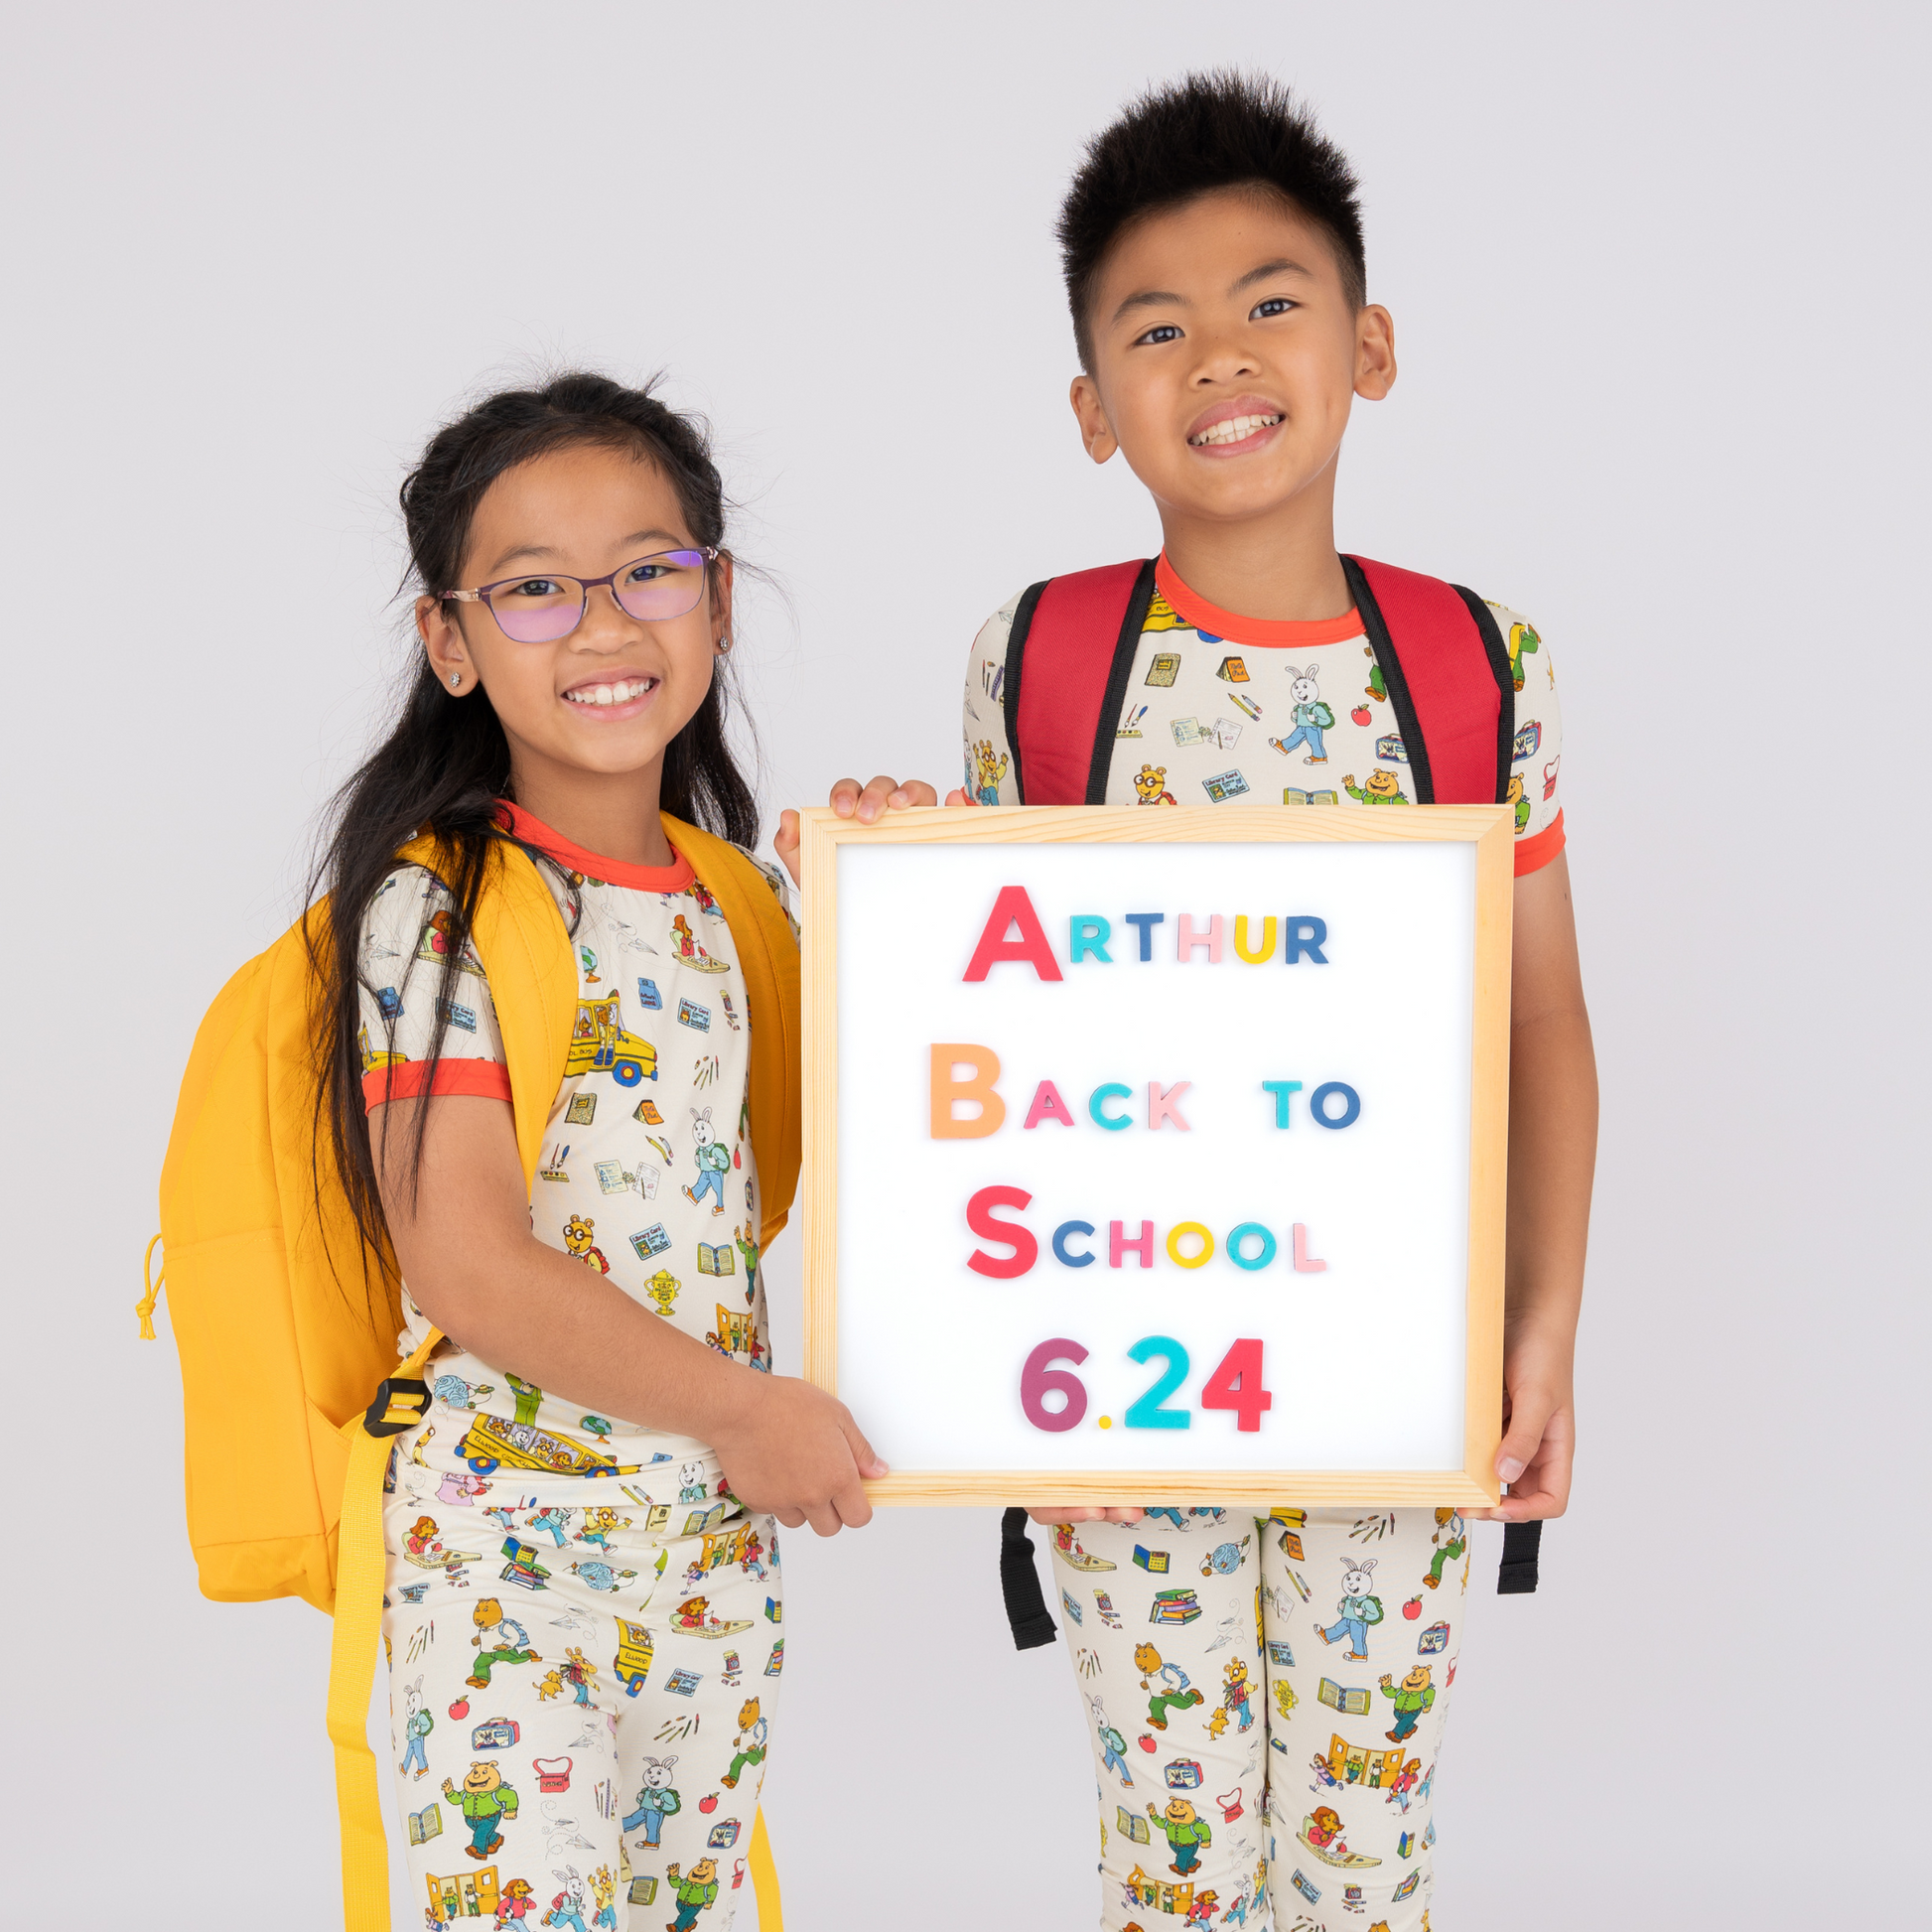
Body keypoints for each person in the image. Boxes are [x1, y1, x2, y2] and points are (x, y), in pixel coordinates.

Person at [795, 71, 1596, 1932]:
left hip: (1396, 1380)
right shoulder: (1047, 652)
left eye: (1269, 300)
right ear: (1093, 410)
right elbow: (992, 1018)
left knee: (1363, 1854)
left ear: (1367, 344)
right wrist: (891, 860)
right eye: (1154, 328)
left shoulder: (1476, 662)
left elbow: (1538, 1015)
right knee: (1172, 1857)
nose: (1219, 355)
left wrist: (1541, 1327)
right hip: (1119, 1387)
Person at [309, 372, 884, 1919]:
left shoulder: (746, 900)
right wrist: (745, 1408)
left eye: (648, 568)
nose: (606, 623)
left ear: (717, 599)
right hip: (505, 1564)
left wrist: (912, 883)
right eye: (535, 590)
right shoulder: (434, 905)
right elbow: (470, 1264)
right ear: (451, 641)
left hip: (709, 1553)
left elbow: (929, 1143)